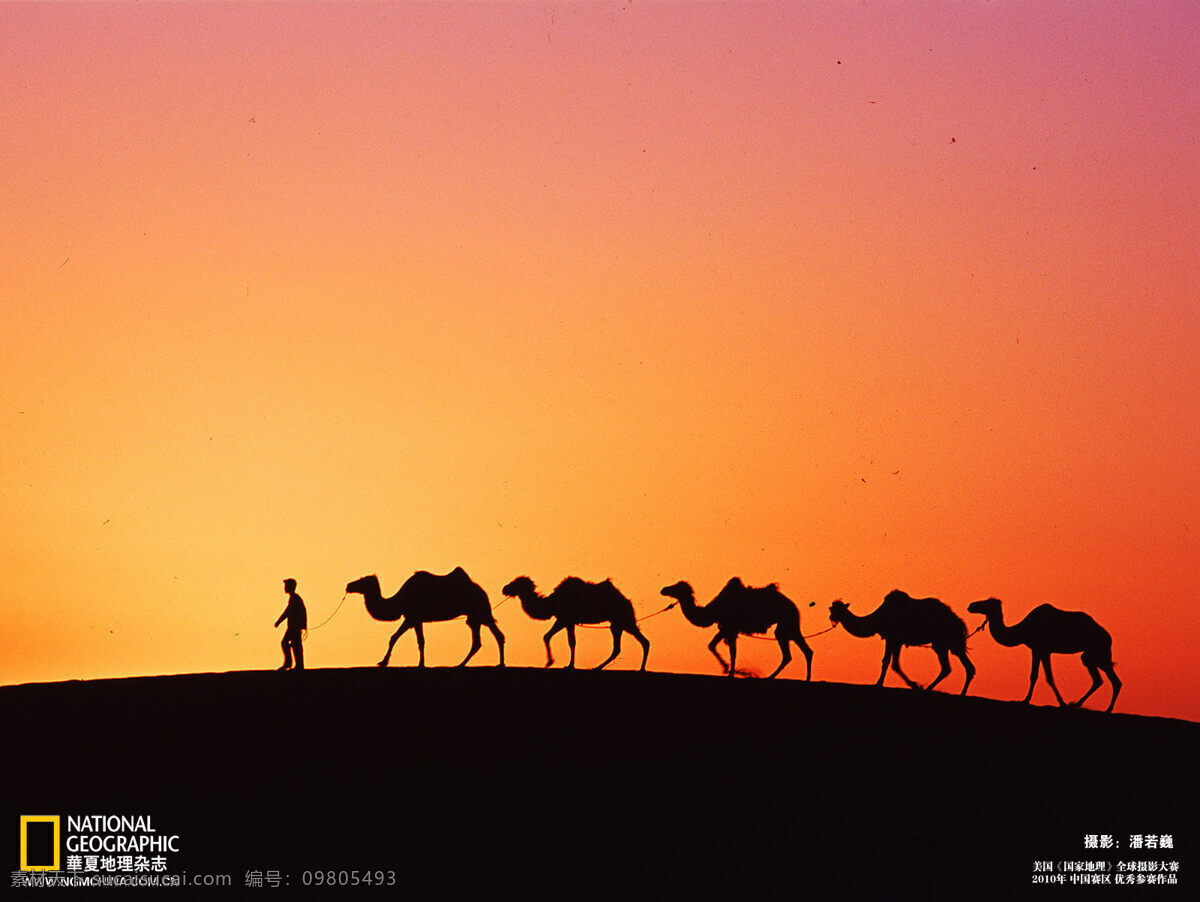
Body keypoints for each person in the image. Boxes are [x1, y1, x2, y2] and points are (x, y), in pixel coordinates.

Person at [275, 578, 307, 671]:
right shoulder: (294, 598)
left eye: (286, 586)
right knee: (294, 644)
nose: (285, 588)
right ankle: (296, 665)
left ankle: (291, 664)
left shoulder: (295, 598)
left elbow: (288, 612)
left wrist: (279, 621)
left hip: (294, 627)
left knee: (288, 643)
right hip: (294, 627)